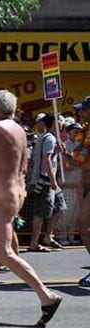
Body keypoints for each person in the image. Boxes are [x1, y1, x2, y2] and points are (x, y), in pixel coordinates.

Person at [0, 89, 62, 328]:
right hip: (14, 193)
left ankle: (47, 296)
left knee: (4, 252)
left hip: (0, 197)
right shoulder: (19, 130)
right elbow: (22, 163)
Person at [28, 114, 66, 252]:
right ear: (53, 124)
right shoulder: (49, 138)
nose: (61, 123)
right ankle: (34, 242)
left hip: (48, 180)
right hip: (44, 180)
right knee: (41, 212)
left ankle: (48, 236)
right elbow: (46, 159)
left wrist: (58, 150)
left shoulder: (49, 138)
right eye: (58, 121)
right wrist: (52, 179)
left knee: (60, 205)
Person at [72, 98, 90, 286]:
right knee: (82, 226)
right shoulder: (83, 132)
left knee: (83, 225)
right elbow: (79, 162)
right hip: (85, 183)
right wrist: (66, 155)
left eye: (84, 109)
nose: (80, 113)